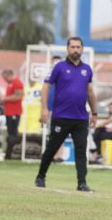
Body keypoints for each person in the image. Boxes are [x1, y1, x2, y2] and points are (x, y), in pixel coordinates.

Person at [35, 37, 98, 192]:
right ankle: (40, 176)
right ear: (67, 49)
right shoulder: (59, 67)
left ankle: (82, 183)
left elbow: (90, 92)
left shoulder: (87, 69)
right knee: (52, 148)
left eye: (78, 47)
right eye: (72, 47)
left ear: (82, 49)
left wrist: (95, 113)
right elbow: (45, 87)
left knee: (81, 151)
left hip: (81, 118)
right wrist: (44, 109)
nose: (75, 50)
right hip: (61, 117)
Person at [0, 68, 24, 160]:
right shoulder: (10, 84)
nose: (4, 79)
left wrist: (5, 99)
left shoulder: (16, 82)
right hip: (9, 112)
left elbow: (18, 96)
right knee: (10, 133)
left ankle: (13, 153)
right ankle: (9, 153)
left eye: (4, 77)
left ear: (8, 74)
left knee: (13, 134)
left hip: (14, 112)